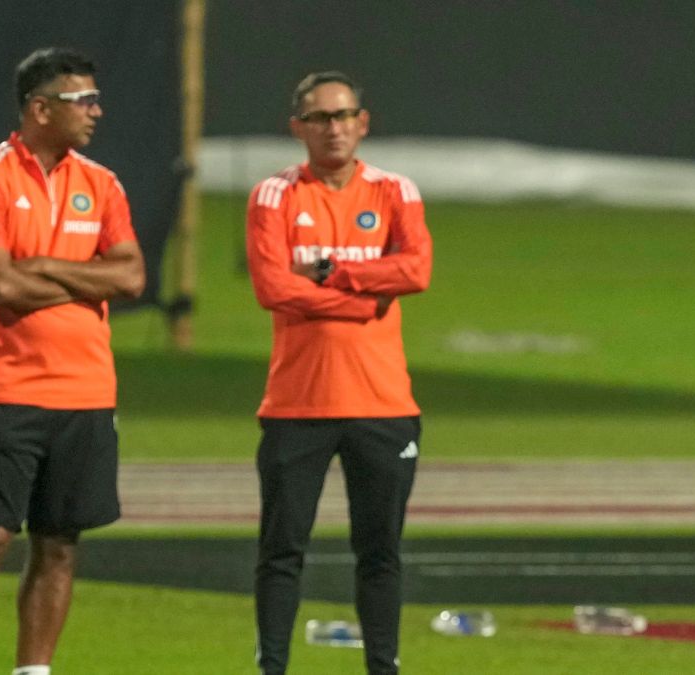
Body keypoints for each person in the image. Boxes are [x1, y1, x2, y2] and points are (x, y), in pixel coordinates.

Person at [0, 47, 144, 675]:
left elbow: (132, 277)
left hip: (87, 391)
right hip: (9, 386)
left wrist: (46, 267)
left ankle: (34, 670)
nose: (97, 111)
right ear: (41, 108)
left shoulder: (101, 183)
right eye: (84, 101)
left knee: (58, 545)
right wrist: (86, 280)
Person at [246, 71, 432, 675]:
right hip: (297, 405)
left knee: (380, 553)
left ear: (363, 123)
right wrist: (363, 300)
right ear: (297, 128)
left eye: (344, 115)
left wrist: (331, 274)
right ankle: (272, 667)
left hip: (383, 405)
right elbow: (273, 287)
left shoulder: (395, 191)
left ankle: (383, 667)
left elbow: (416, 271)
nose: (334, 128)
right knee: (281, 551)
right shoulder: (274, 195)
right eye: (320, 118)